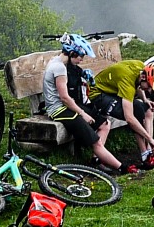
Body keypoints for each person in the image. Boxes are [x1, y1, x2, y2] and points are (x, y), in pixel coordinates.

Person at [43, 33, 130, 172]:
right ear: (71, 52)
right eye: (80, 56)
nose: (81, 60)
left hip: (66, 106)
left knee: (104, 124)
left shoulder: (59, 62)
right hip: (59, 110)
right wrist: (83, 114)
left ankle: (96, 160)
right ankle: (123, 168)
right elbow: (64, 98)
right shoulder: (59, 68)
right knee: (95, 142)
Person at [88, 57, 154, 173]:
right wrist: (150, 139)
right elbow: (129, 118)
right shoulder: (127, 81)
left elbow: (137, 84)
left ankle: (145, 154)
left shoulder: (140, 66)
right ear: (143, 77)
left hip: (110, 91)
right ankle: (96, 160)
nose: (150, 90)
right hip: (96, 94)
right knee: (134, 115)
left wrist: (145, 99)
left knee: (140, 107)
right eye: (150, 86)